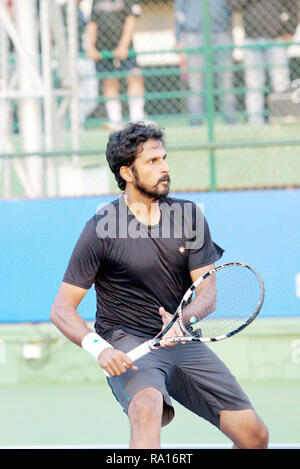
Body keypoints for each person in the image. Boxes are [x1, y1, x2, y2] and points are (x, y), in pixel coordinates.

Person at [50, 121, 269, 449]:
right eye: (152, 162)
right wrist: (100, 348)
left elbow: (207, 291)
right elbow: (61, 309)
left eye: (164, 158)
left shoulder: (189, 216)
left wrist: (184, 320)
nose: (165, 168)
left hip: (181, 339)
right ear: (127, 172)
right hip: (127, 340)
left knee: (254, 437)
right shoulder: (101, 230)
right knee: (147, 411)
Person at [227, 0, 299, 124]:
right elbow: (233, 6)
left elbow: (293, 8)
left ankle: (282, 119)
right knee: (253, 84)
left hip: (275, 39)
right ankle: (255, 122)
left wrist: (289, 31)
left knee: (281, 83)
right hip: (251, 40)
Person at [174, 0, 236, 125]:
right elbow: (178, 10)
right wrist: (178, 37)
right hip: (194, 34)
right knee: (195, 84)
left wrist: (231, 34)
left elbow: (233, 7)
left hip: (221, 32)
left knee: (226, 82)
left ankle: (231, 122)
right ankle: (196, 124)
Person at [85, 0, 145, 130]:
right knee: (109, 81)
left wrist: (123, 46)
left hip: (125, 45)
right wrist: (91, 46)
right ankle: (115, 119)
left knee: (134, 76)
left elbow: (131, 19)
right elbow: (92, 22)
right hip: (103, 46)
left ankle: (137, 118)